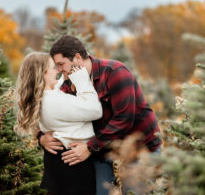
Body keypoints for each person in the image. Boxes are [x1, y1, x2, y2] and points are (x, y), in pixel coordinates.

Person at [38, 35, 162, 195]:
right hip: (102, 152)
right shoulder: (67, 84)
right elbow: (50, 112)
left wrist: (90, 147)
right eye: (56, 66)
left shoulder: (114, 72)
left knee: (134, 192)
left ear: (77, 58)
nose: (59, 70)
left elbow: (124, 119)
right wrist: (41, 136)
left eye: (61, 64)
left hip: (139, 149)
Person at [15, 52, 102, 195]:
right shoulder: (53, 101)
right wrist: (83, 82)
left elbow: (57, 90)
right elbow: (95, 110)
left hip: (58, 161)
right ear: (43, 74)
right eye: (53, 67)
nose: (57, 70)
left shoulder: (43, 97)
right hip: (73, 167)